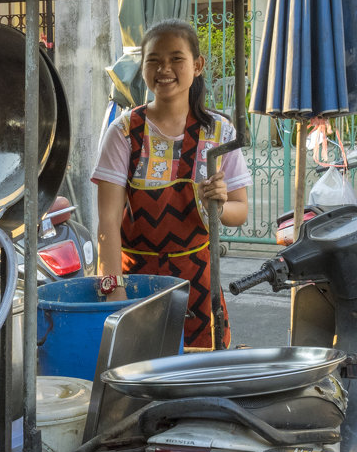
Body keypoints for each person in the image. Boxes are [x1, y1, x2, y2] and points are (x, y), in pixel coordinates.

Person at [91, 19, 251, 350]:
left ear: (197, 65)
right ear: (143, 66)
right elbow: (107, 223)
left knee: (200, 380)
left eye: (176, 58)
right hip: (136, 281)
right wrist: (112, 288)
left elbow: (239, 212)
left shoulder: (219, 133)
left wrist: (219, 203)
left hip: (199, 284)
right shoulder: (123, 133)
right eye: (154, 60)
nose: (165, 68)